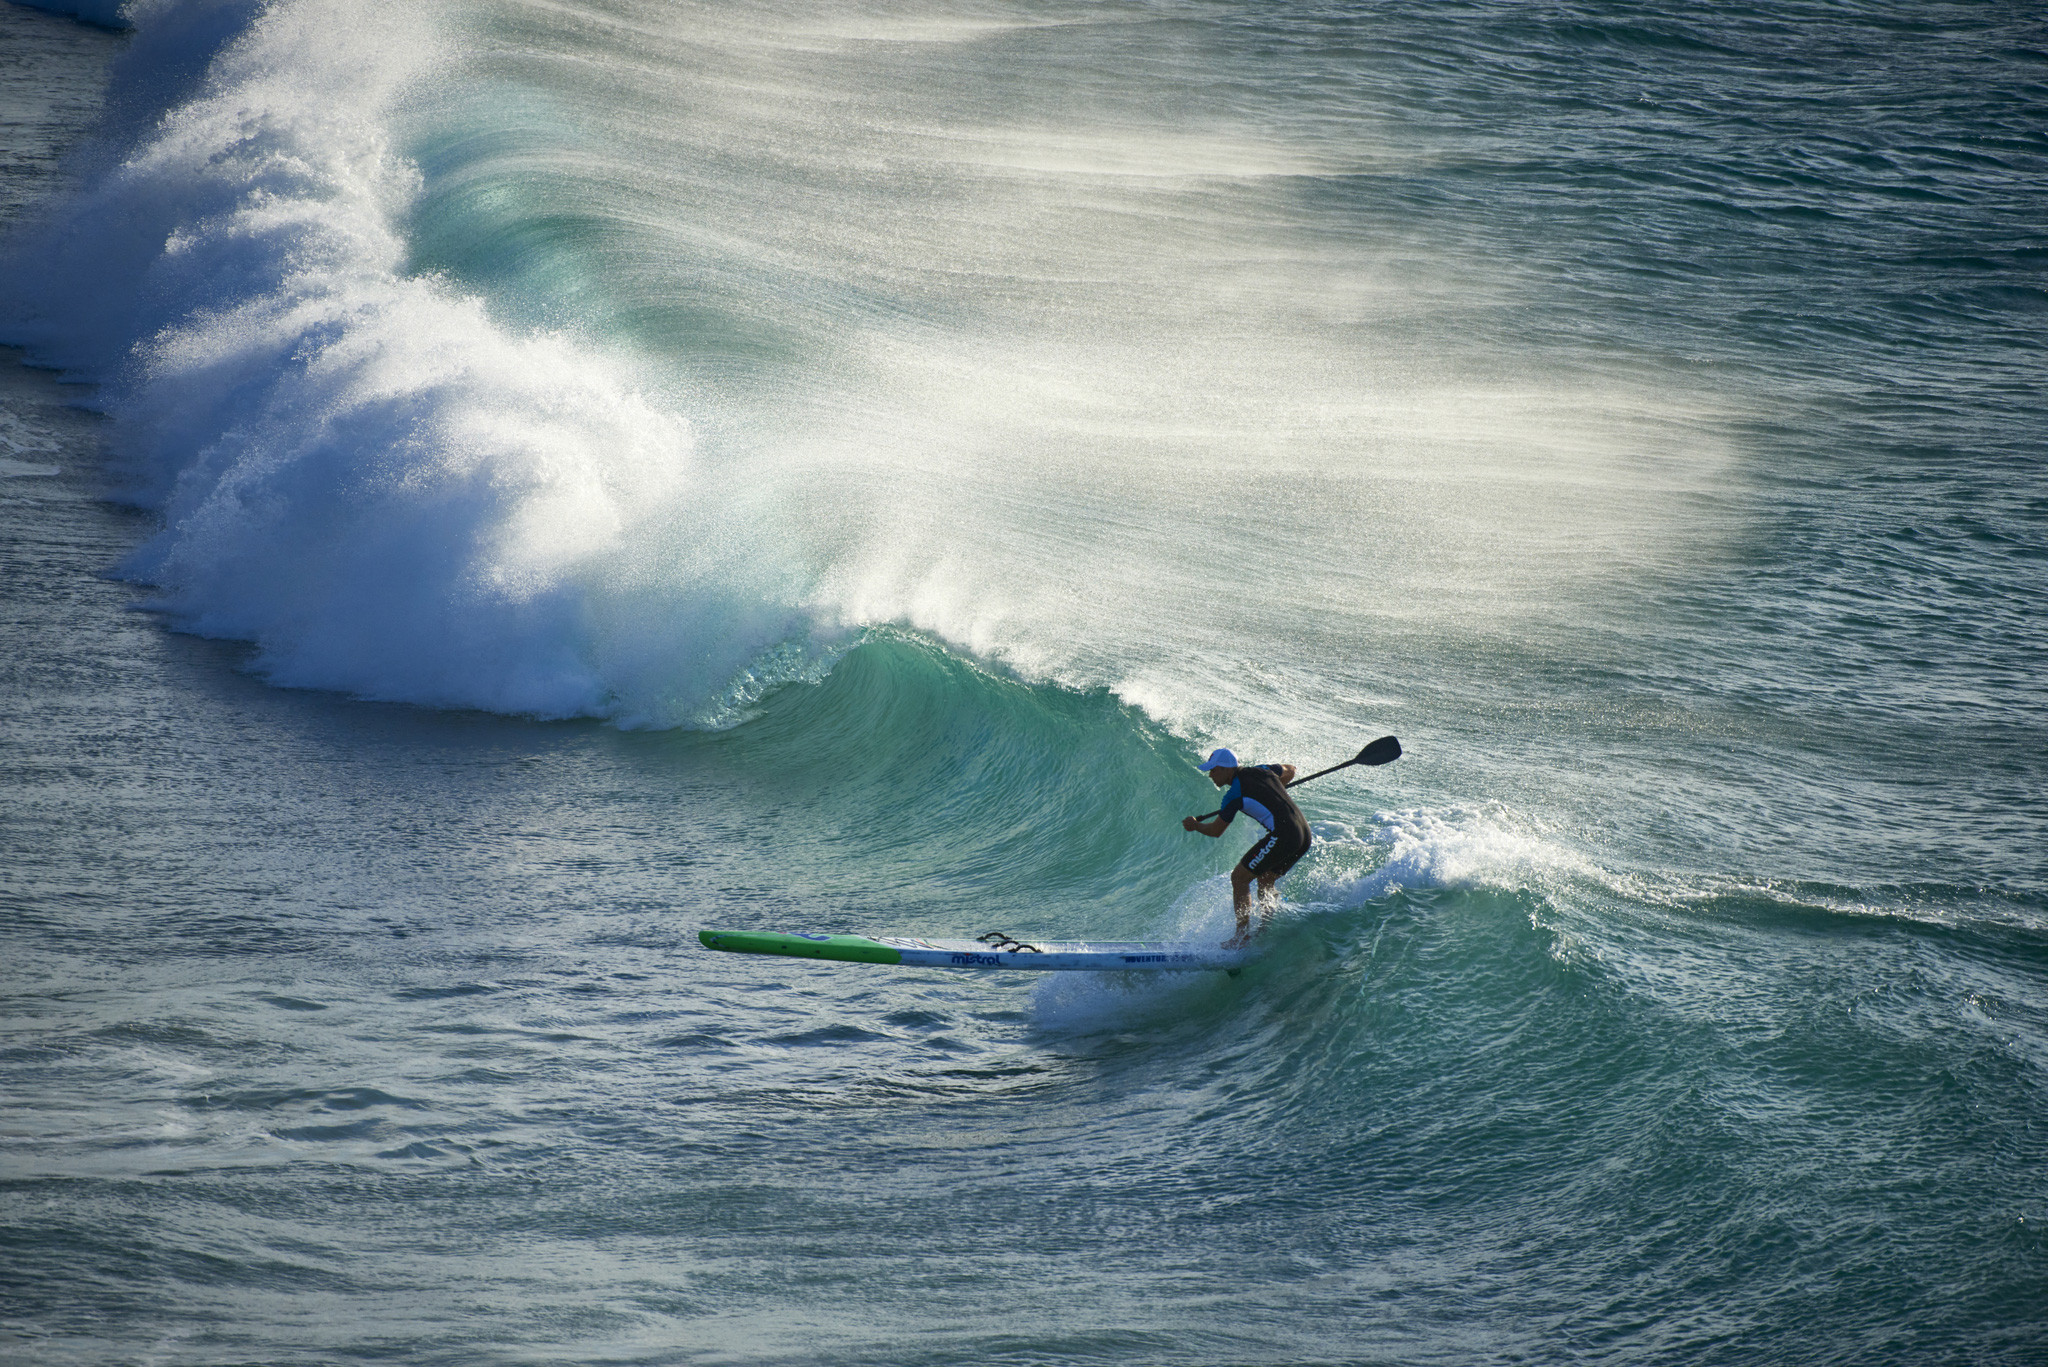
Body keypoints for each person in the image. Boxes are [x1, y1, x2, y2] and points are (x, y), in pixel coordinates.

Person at [1181, 747, 1310, 947]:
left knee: (1239, 878)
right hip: (1303, 834)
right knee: (1266, 878)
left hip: (1284, 835)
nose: (1210, 775)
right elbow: (1291, 769)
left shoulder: (1233, 795)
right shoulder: (1264, 770)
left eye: (1213, 770)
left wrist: (1195, 825)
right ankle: (1265, 931)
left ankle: (1240, 938)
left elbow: (1216, 831)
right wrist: (1274, 788)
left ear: (1225, 769)